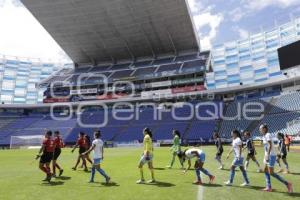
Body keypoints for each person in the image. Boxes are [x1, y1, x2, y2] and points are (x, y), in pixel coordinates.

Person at [259, 124, 293, 193]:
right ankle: (269, 187)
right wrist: (266, 155)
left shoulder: (268, 135)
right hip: (267, 155)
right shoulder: (264, 136)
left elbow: (270, 145)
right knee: (265, 170)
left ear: (264, 129)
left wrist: (267, 155)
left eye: (261, 128)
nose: (260, 130)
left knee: (271, 173)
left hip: (271, 156)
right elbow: (266, 146)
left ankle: (287, 184)